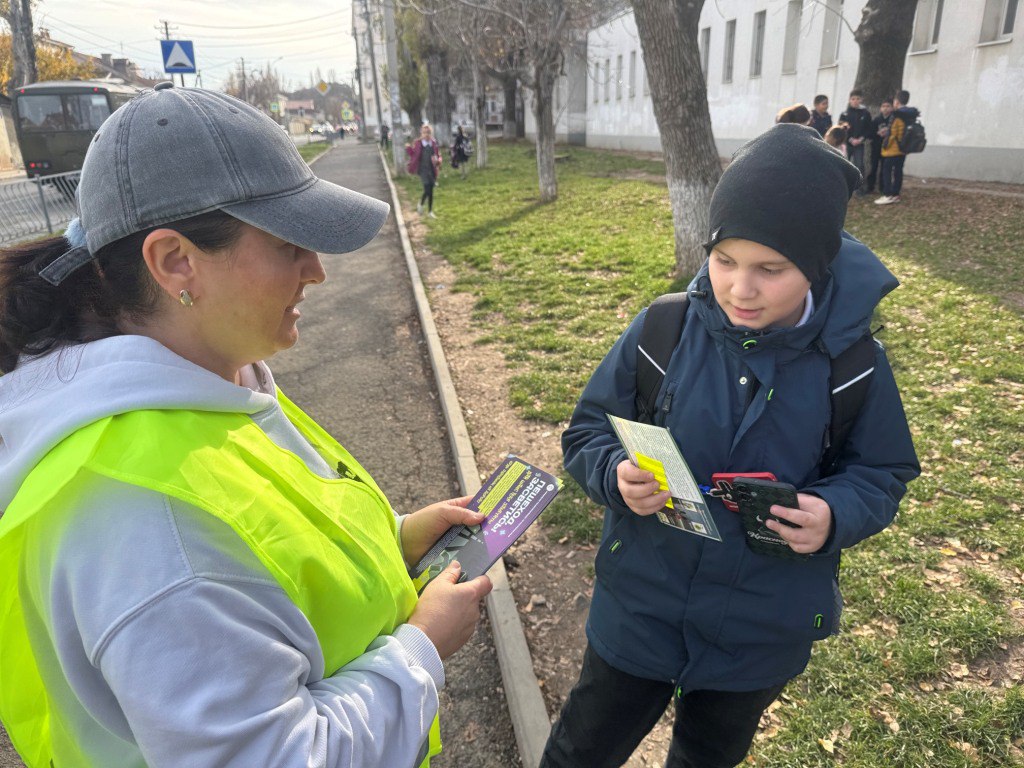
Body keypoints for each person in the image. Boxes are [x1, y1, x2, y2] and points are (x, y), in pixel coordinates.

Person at [0, 83, 493, 768]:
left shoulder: (211, 373)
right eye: (290, 243)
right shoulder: (145, 524)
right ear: (176, 262)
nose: (317, 271)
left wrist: (396, 545)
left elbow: (265, 554)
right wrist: (421, 649)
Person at [541, 123, 919, 768]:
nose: (741, 288)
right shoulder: (663, 328)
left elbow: (882, 471)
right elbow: (586, 430)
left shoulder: (852, 363)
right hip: (639, 609)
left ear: (817, 267)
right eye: (724, 261)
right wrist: (614, 475)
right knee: (582, 749)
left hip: (759, 629)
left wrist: (834, 514)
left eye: (770, 270)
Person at [876, 90, 920, 206]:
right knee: (898, 171)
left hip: (893, 148)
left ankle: (887, 194)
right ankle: (896, 194)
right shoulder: (911, 114)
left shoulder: (897, 115)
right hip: (904, 147)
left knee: (886, 170)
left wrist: (886, 143)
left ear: (897, 101)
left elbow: (894, 132)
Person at [839, 89, 872, 193]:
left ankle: (860, 188)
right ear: (849, 100)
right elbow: (842, 128)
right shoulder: (844, 114)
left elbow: (868, 129)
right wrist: (850, 139)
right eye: (853, 99)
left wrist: (861, 139)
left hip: (859, 144)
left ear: (861, 100)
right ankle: (844, 187)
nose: (855, 101)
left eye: (858, 99)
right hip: (847, 144)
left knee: (859, 165)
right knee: (845, 164)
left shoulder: (865, 113)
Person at [407, 123, 442, 219]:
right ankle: (422, 205)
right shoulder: (419, 143)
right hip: (422, 170)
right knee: (427, 190)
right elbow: (413, 155)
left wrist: (438, 160)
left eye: (429, 132)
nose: (427, 134)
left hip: (432, 170)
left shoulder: (433, 143)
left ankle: (429, 210)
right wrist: (408, 149)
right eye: (425, 132)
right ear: (421, 133)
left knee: (431, 191)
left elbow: (438, 155)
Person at [864, 99, 893, 196]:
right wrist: (878, 133)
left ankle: (883, 187)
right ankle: (870, 187)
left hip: (888, 148)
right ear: (880, 108)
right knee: (874, 167)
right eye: (883, 106)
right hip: (876, 147)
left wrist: (888, 133)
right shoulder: (877, 120)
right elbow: (869, 134)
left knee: (885, 168)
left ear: (892, 108)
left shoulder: (893, 120)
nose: (885, 108)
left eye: (888, 106)